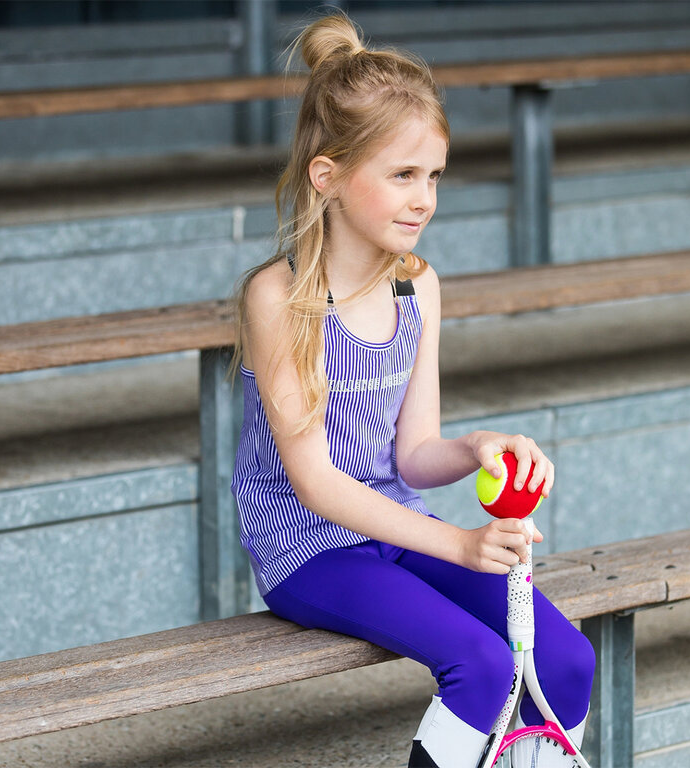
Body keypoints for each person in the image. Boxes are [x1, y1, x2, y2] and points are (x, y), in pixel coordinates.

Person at [230, 12, 594, 768]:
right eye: (401, 174)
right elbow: (318, 484)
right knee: (485, 667)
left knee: (566, 662)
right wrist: (459, 544)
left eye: (433, 175)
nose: (423, 197)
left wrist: (476, 446)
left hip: (399, 522)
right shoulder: (281, 296)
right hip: (309, 550)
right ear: (327, 175)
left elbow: (415, 453)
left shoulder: (417, 287)